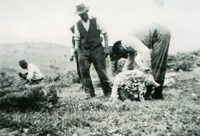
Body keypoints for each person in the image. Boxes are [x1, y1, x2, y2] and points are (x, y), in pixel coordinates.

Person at [112, 23, 171, 100]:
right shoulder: (128, 47)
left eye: (120, 53)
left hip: (159, 32)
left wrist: (147, 70)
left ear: (119, 46)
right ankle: (152, 91)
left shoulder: (127, 41)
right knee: (156, 62)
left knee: (157, 63)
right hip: (158, 32)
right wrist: (122, 75)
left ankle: (157, 93)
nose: (123, 55)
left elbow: (145, 51)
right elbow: (130, 62)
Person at [73, 3, 112, 99]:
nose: (83, 16)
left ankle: (108, 93)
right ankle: (89, 93)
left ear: (87, 11)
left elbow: (105, 33)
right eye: (80, 14)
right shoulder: (77, 24)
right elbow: (77, 38)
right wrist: (76, 48)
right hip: (84, 50)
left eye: (84, 13)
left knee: (101, 71)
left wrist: (106, 48)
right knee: (84, 71)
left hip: (97, 49)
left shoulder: (96, 20)